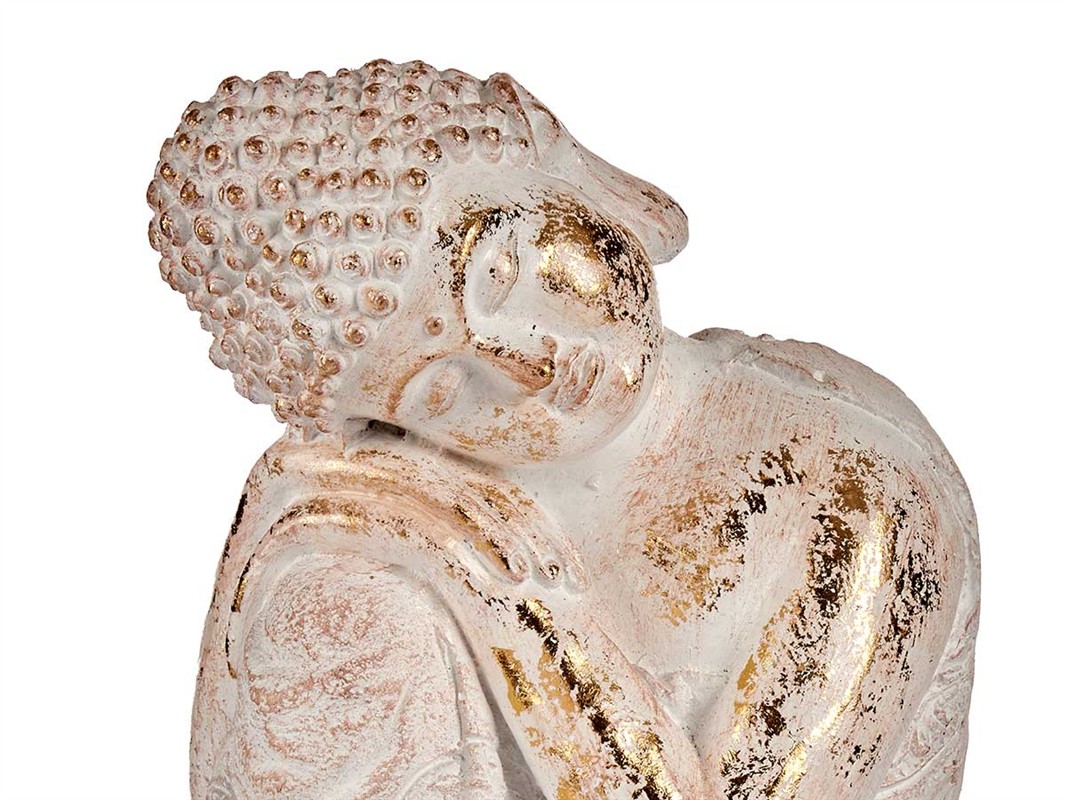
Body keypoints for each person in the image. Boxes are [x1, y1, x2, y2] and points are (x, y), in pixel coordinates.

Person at [148, 60, 978, 800]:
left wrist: (507, 599)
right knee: (322, 579)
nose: (528, 365)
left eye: (499, 273)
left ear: (555, 159)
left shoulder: (852, 490)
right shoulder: (400, 493)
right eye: (442, 389)